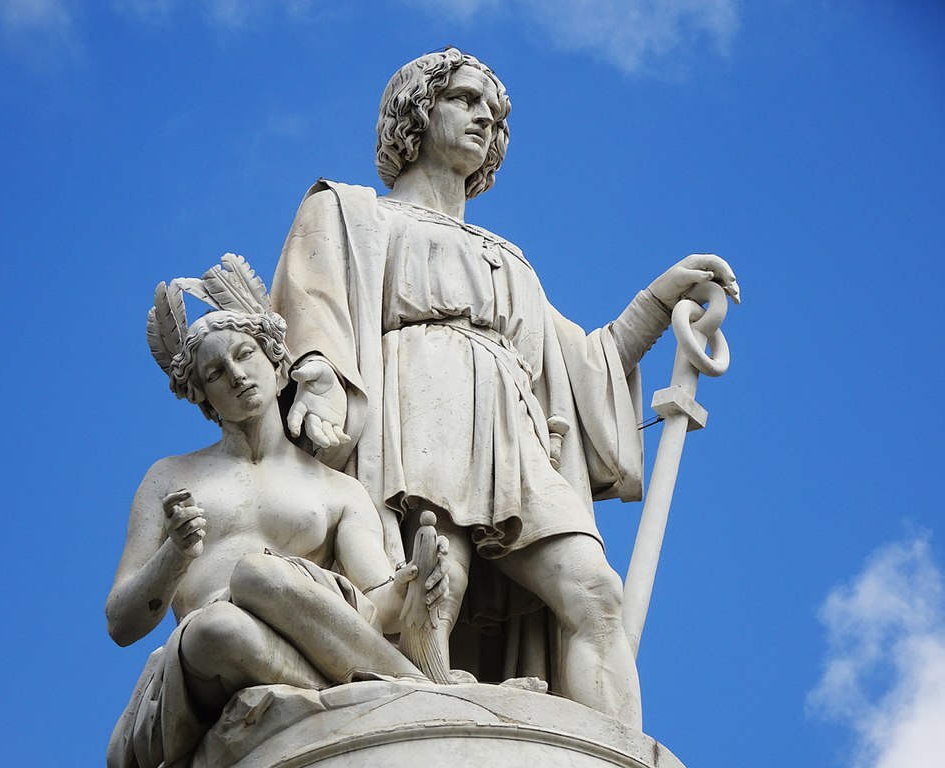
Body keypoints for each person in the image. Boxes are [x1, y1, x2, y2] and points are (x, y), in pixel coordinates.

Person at [271, 48, 739, 729]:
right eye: (465, 99)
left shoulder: (509, 258)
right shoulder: (352, 215)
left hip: (512, 432)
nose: (485, 118)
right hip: (415, 406)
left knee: (595, 594)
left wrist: (659, 301)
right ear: (417, 111)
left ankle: (613, 746)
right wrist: (317, 387)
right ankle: (418, 727)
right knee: (434, 589)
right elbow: (313, 311)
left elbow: (586, 363)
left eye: (495, 113)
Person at [106, 273, 447, 768]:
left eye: (244, 355)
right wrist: (174, 556)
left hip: (299, 640)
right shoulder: (169, 477)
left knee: (253, 577)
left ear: (277, 363)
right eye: (216, 373)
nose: (237, 374)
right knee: (214, 627)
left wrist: (417, 582)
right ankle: (410, 693)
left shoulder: (337, 490)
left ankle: (398, 693)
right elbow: (121, 621)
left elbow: (380, 605)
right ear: (202, 395)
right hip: (203, 664)